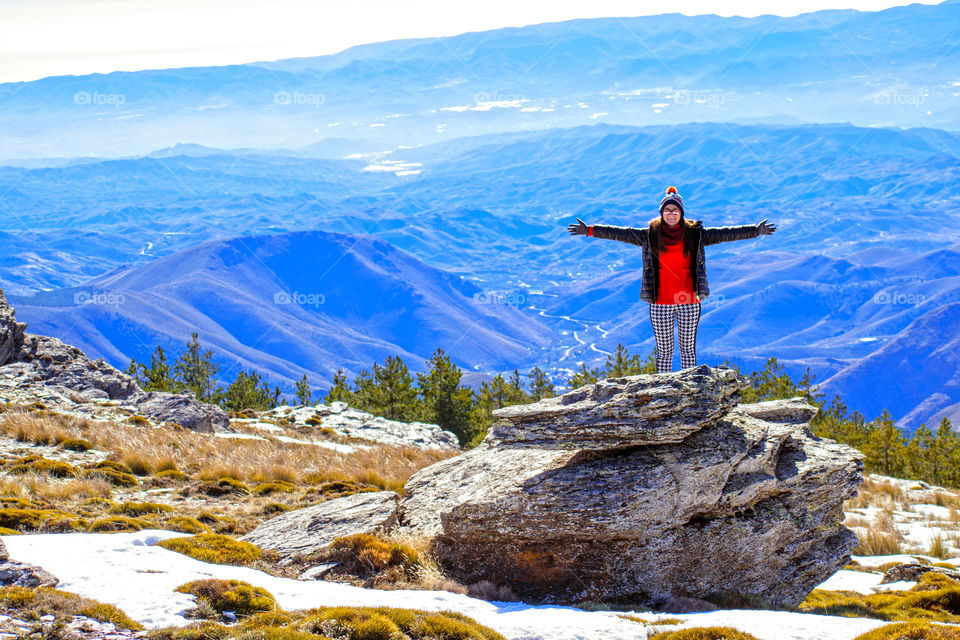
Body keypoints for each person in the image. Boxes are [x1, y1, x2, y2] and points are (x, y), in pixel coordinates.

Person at [567, 186, 776, 373]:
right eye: (667, 210)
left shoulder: (696, 234)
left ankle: (689, 387)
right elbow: (620, 233)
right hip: (660, 303)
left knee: (687, 348)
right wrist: (590, 231)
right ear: (661, 213)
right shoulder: (649, 235)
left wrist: (756, 231)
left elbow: (726, 234)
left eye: (675, 210)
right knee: (665, 350)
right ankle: (664, 386)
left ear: (681, 213)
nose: (671, 214)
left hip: (690, 301)